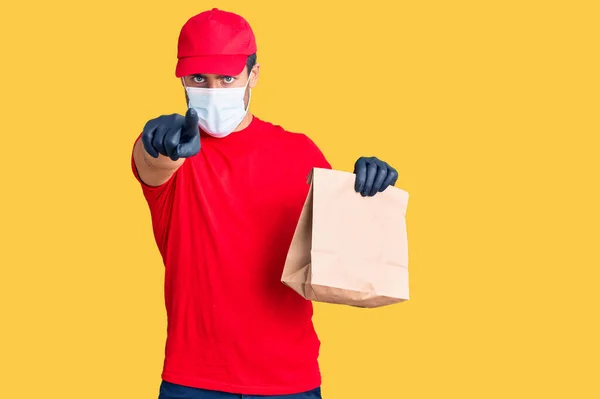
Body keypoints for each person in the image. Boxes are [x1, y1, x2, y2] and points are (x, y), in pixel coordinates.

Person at [131, 8, 399, 399]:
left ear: (252, 76)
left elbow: (341, 257)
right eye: (198, 79)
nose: (213, 89)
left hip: (289, 381)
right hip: (194, 381)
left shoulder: (299, 152)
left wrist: (368, 193)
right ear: (183, 80)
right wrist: (158, 143)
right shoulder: (177, 153)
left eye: (227, 77)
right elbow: (151, 166)